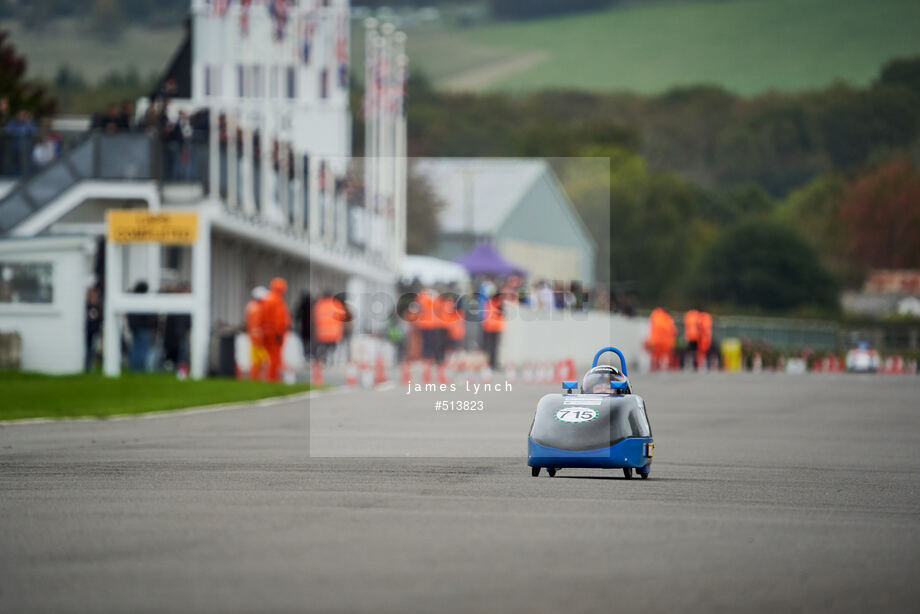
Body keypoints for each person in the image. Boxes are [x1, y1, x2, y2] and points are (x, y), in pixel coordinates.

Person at [260, 277, 291, 382]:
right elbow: (278, 319)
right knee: (274, 358)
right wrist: (278, 333)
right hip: (274, 334)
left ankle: (272, 378)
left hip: (270, 332)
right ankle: (273, 379)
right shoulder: (275, 300)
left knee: (272, 358)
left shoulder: (269, 299)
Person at [127, 281, 157, 372]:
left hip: (136, 327)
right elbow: (147, 315)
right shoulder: (142, 300)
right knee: (142, 349)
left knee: (136, 347)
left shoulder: (132, 299)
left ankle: (134, 368)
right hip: (143, 327)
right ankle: (140, 368)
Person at [312, 291, 346, 365]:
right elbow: (342, 317)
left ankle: (323, 358)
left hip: (322, 333)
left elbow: (315, 318)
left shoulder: (319, 304)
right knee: (332, 348)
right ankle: (330, 359)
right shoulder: (336, 304)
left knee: (323, 347)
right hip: (334, 333)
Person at [246, 286, 269, 380]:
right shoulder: (257, 308)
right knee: (264, 361)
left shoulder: (251, 306)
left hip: (254, 339)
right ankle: (260, 379)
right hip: (258, 340)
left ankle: (255, 379)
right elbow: (258, 325)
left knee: (256, 361)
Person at [414, 286, 439, 364]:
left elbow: (417, 310)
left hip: (423, 324)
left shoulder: (420, 298)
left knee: (425, 341)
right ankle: (431, 356)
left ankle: (426, 357)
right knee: (431, 341)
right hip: (432, 324)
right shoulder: (433, 298)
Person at [481, 292, 505, 370]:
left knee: (490, 346)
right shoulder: (498, 303)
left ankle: (490, 362)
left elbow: (485, 314)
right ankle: (493, 363)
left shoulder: (489, 303)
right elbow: (501, 313)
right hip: (496, 327)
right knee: (494, 347)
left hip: (489, 327)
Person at [84, 285, 103, 372]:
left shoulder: (98, 307)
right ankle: (87, 367)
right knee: (88, 350)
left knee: (93, 350)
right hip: (88, 332)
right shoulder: (86, 307)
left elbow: (100, 318)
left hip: (95, 331)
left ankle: (92, 367)